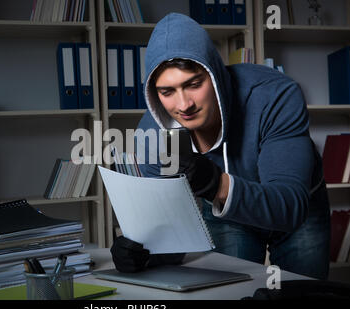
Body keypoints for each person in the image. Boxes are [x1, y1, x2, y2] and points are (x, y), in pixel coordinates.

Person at [110, 13, 330, 280]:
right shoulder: (152, 133)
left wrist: (216, 184)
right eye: (167, 92)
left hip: (295, 206)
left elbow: (289, 208)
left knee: (303, 293)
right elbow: (173, 233)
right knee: (229, 291)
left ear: (214, 74)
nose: (183, 105)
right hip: (224, 209)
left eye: (193, 84)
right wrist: (144, 253)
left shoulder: (275, 95)